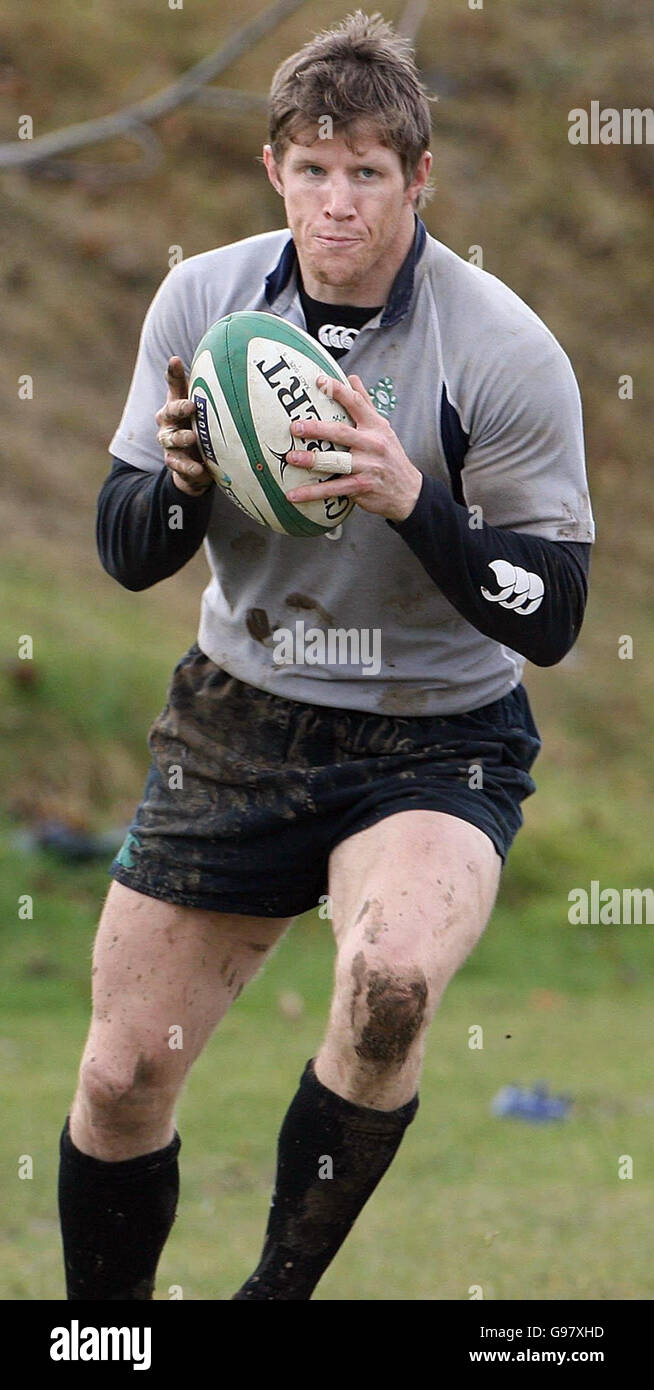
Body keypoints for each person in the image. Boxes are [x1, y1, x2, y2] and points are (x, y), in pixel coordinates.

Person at [58, 10, 594, 1301]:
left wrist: (418, 501)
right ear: (272, 171)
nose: (336, 199)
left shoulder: (498, 347)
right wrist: (183, 481)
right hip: (241, 718)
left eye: (366, 171)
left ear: (418, 179)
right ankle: (101, 1337)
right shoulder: (206, 298)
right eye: (310, 168)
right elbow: (130, 551)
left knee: (393, 980)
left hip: (437, 733)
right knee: (124, 1075)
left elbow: (555, 611)